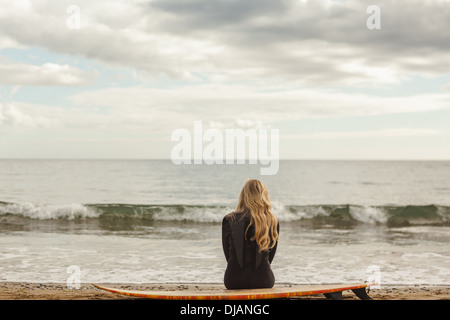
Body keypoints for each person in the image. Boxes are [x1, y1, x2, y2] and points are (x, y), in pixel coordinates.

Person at [222, 179, 279, 289]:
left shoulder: (229, 219)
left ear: (243, 196)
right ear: (264, 196)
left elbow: (228, 256)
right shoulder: (272, 221)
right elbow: (269, 258)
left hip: (233, 280)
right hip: (264, 280)